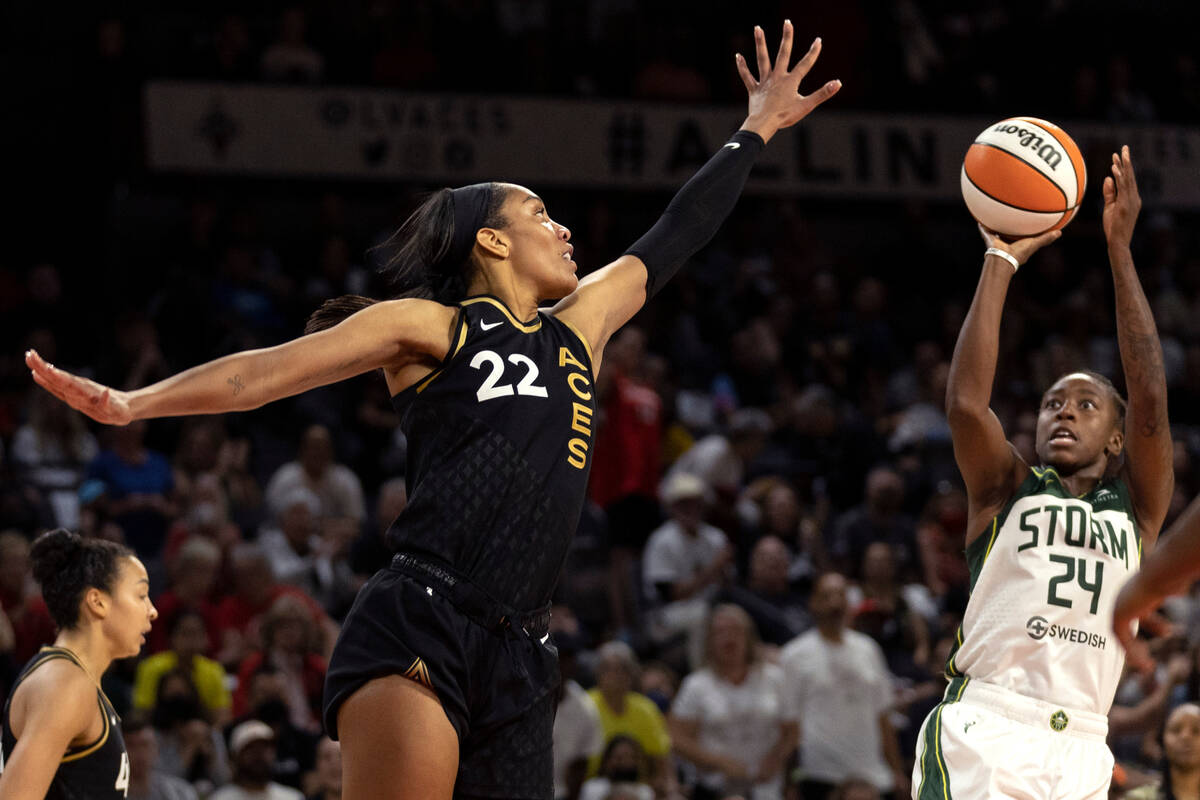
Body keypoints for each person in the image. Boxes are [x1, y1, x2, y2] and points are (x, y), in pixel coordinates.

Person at [26, 20, 840, 799]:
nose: (562, 229)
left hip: (525, 650)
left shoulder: (583, 328)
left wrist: (756, 130)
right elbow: (264, 375)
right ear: (490, 242)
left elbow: (677, 230)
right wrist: (135, 402)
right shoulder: (434, 327)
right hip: (423, 617)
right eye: (537, 216)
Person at [915, 146, 1172, 800]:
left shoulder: (1137, 507)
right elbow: (966, 406)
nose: (1064, 412)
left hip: (1083, 744)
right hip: (987, 728)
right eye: (1052, 402)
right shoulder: (1008, 487)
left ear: (1115, 438)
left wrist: (1119, 252)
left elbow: (1150, 405)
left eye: (1085, 404)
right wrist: (999, 258)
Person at [0, 528, 158, 799]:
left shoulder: (70, 677)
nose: (152, 610)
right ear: (97, 602)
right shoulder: (65, 683)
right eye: (141, 595)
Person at [781, 572, 907, 799]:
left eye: (840, 595)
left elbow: (883, 717)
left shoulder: (868, 649)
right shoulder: (794, 655)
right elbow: (790, 726)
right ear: (813, 603)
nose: (835, 603)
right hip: (820, 775)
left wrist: (896, 769)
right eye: (826, 596)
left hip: (871, 773)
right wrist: (788, 780)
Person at [668, 604, 797, 800]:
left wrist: (775, 760)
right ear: (709, 641)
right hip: (716, 786)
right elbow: (677, 738)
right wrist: (719, 762)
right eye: (720, 632)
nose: (729, 638)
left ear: (749, 637)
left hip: (767, 785)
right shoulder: (696, 685)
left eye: (736, 630)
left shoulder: (774, 678)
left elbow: (793, 729)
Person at [209, 720, 304, 800]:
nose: (259, 755)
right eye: (251, 749)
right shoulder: (220, 798)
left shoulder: (292, 797)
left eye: (264, 748)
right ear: (235, 757)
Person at [1124, 703, 1200, 800]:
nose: (1185, 737)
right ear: (1162, 739)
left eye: (1196, 730)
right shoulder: (1138, 797)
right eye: (1176, 730)